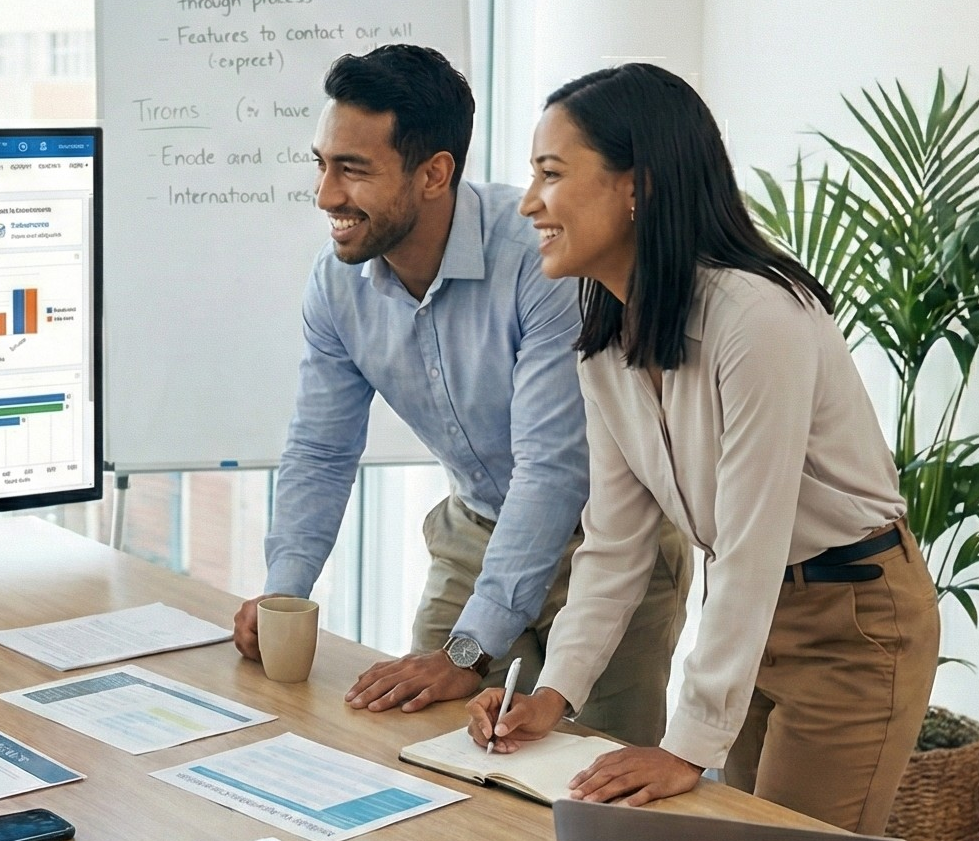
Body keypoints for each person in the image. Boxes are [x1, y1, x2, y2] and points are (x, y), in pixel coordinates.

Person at [470, 63, 941, 834]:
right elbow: (615, 548)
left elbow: (751, 543)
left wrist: (684, 747)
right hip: (756, 616)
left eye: (551, 174)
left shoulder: (757, 320)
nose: (529, 203)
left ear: (638, 187)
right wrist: (553, 696)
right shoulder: (603, 344)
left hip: (853, 617)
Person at [232, 44, 690, 740]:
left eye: (352, 170)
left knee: (596, 789)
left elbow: (552, 469)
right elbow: (320, 451)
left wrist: (469, 650)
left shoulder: (543, 260)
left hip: (606, 548)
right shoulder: (336, 285)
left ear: (434, 174)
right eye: (322, 165)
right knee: (420, 742)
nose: (326, 195)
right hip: (475, 531)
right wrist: (284, 594)